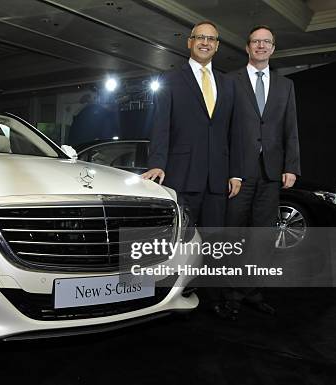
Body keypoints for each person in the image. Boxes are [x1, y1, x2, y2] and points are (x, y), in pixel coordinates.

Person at [141, 20, 242, 318]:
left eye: (211, 39)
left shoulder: (228, 83)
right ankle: (172, 294)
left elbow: (233, 132)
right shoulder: (171, 79)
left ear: (218, 45)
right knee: (179, 242)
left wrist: (235, 171)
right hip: (182, 174)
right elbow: (161, 126)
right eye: (200, 37)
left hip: (218, 178)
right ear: (189, 42)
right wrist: (157, 163)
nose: (205, 43)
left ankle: (213, 298)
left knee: (214, 241)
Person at [225, 25, 301, 315]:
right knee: (233, 236)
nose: (260, 46)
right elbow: (224, 129)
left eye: (266, 42)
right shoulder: (230, 81)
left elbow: (290, 128)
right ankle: (230, 295)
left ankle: (253, 292)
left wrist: (291, 166)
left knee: (262, 237)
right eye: (255, 41)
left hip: (271, 173)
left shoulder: (286, 86)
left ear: (273, 48)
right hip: (238, 175)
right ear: (247, 47)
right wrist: (229, 170)